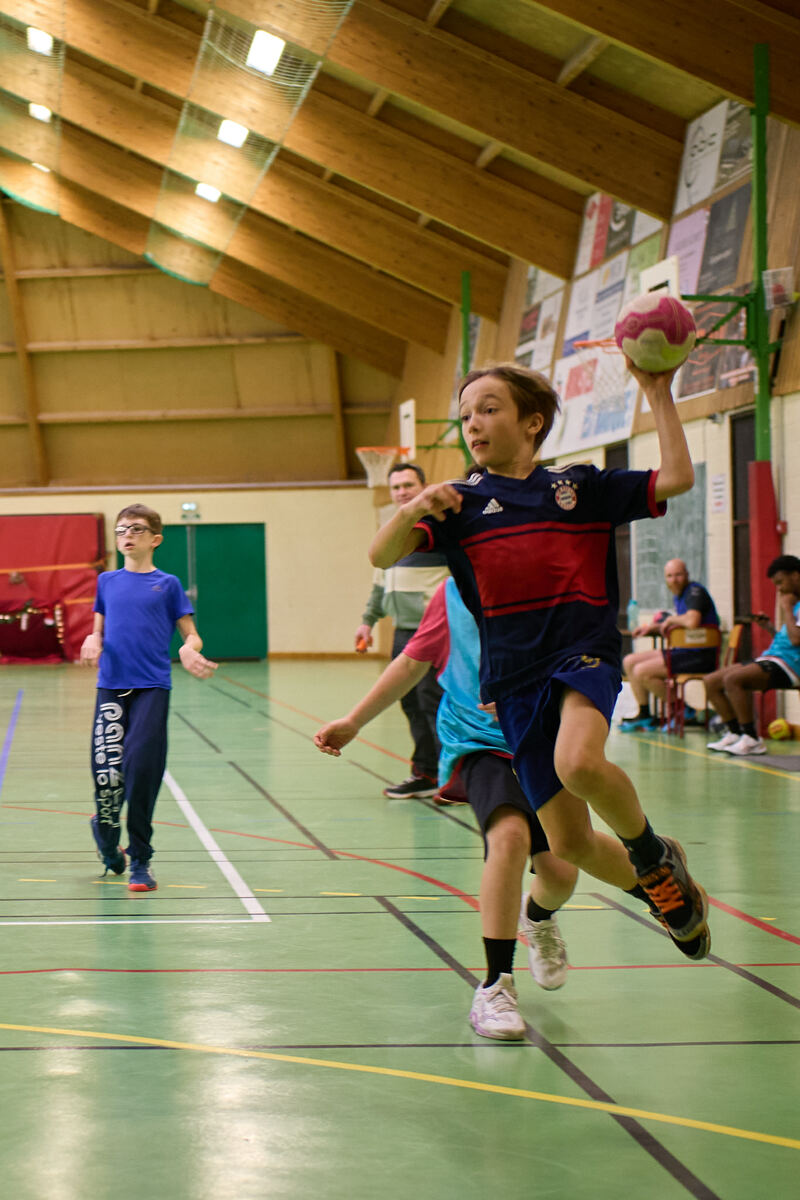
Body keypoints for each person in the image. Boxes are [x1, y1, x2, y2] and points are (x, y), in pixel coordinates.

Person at [368, 361, 711, 956]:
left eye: (489, 409)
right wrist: (411, 508)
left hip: (582, 656)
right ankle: (664, 882)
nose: (474, 423)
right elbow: (381, 555)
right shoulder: (459, 505)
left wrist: (657, 390)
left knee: (578, 762)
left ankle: (652, 856)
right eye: (466, 415)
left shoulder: (580, 488)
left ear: (532, 422)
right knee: (570, 843)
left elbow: (677, 477)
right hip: (514, 682)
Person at [315, 577, 701, 1040]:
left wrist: (531, 692)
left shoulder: (545, 586)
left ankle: (576, 904)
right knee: (509, 837)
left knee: (562, 868)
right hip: (478, 741)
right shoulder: (451, 596)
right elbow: (412, 661)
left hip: (538, 734)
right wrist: (354, 721)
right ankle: (495, 986)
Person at [80, 504, 217, 891]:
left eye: (137, 529)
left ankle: (140, 857)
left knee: (142, 770)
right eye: (122, 529)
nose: (127, 535)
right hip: (111, 687)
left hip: (152, 688)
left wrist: (189, 649)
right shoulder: (106, 581)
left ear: (155, 539)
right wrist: (92, 638)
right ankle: (107, 838)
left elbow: (191, 634)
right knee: (106, 774)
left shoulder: (168, 584)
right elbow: (98, 628)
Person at [354, 461, 449, 798]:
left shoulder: (440, 530)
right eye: (396, 487)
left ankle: (452, 778)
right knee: (410, 703)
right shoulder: (391, 534)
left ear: (423, 486)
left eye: (408, 485)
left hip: (437, 633)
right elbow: (381, 585)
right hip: (403, 632)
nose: (402, 492)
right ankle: (426, 773)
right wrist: (368, 621)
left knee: (435, 703)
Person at [706, 554, 800, 756]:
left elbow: (796, 640)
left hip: (792, 666)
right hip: (776, 658)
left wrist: (786, 608)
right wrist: (770, 628)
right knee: (711, 681)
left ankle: (752, 739)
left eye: (781, 582)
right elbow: (788, 639)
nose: (780, 589)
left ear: (795, 576)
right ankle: (735, 733)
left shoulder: (793, 606)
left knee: (733, 680)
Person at [620, 558, 720, 731]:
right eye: (670, 576)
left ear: (687, 575)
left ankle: (684, 710)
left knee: (642, 671)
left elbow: (692, 622)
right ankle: (644, 714)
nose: (674, 580)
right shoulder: (679, 596)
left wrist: (670, 620)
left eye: (678, 575)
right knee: (629, 661)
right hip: (685, 652)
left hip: (701, 656)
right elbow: (681, 622)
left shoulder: (695, 592)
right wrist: (653, 627)